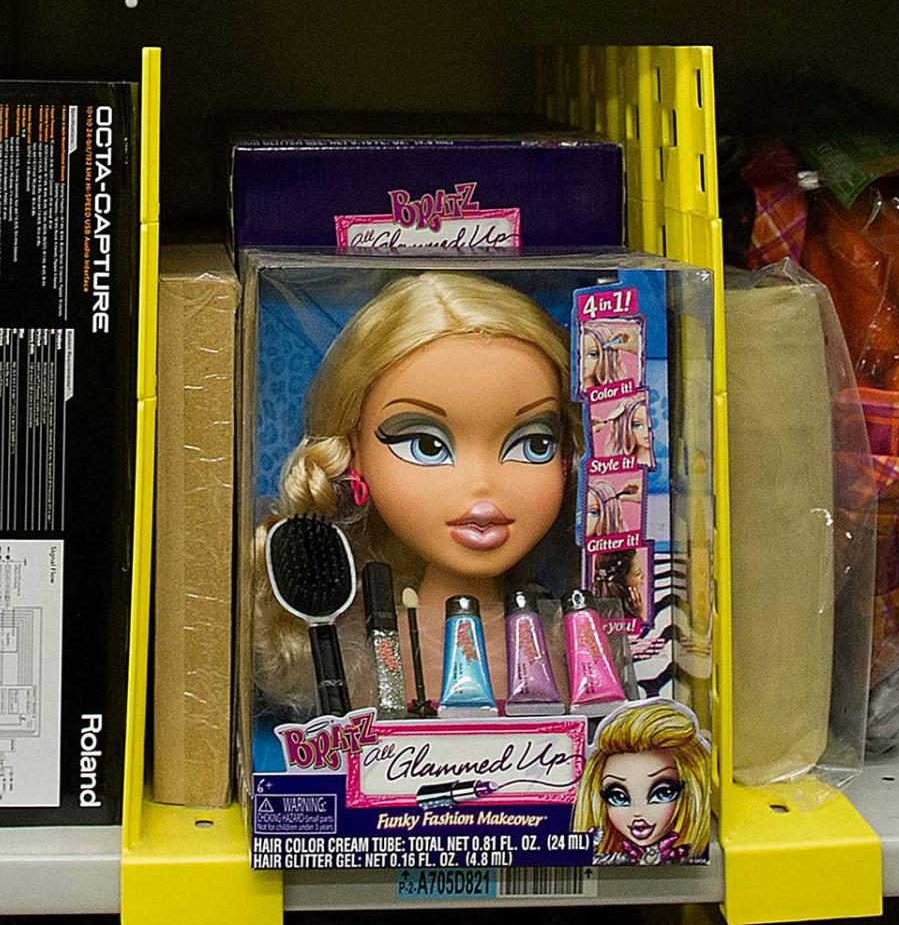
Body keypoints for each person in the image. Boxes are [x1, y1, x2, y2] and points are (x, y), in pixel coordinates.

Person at [252, 272, 579, 710]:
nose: (482, 483)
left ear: (567, 456)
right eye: (426, 445)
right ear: (353, 454)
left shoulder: (573, 651)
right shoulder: (366, 662)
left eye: (533, 443)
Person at [573, 700, 713, 864]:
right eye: (617, 797)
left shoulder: (690, 855)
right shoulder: (600, 855)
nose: (638, 814)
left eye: (662, 793)